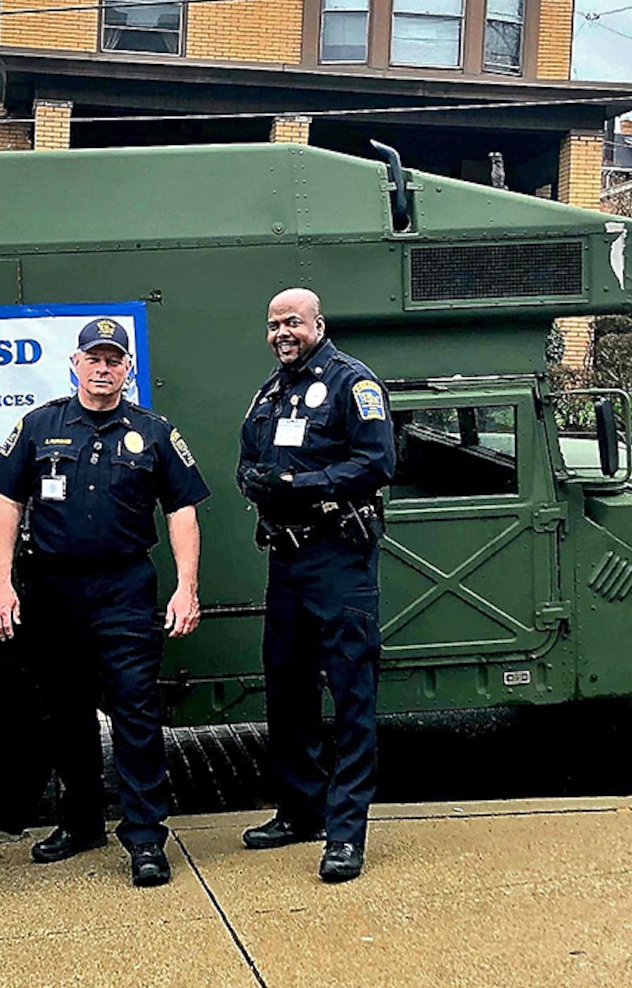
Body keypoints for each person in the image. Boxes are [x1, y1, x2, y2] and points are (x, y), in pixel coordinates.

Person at [0, 317, 209, 888]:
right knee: (65, 712)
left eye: (114, 359)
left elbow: (182, 513)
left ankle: (145, 839)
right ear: (75, 364)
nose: (103, 368)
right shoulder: (39, 426)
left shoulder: (154, 433)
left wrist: (187, 586)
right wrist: (0, 582)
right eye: (94, 358)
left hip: (124, 589)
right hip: (53, 589)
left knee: (135, 711)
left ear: (129, 368)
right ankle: (80, 824)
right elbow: (7, 506)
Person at [237, 288, 395, 883]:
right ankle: (299, 810)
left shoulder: (354, 383)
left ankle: (345, 832)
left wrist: (300, 485)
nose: (282, 332)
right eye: (274, 323)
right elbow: (249, 456)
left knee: (353, 696)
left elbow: (377, 462)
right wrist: (256, 481)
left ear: (318, 324)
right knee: (287, 687)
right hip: (288, 562)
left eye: (293, 322)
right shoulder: (271, 390)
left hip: (340, 560)